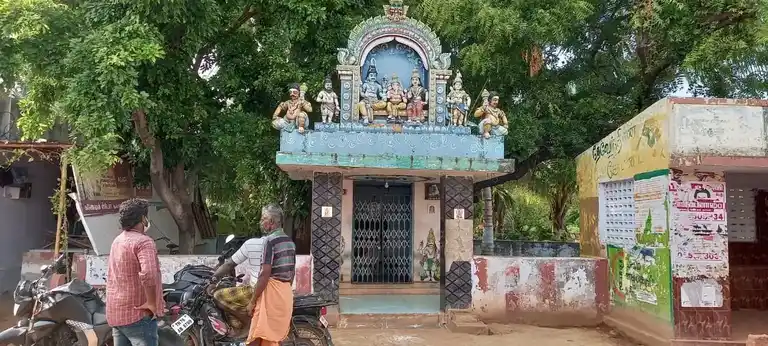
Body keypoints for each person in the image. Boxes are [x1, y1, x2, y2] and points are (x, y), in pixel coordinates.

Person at [106, 198, 163, 346]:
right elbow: (149, 274)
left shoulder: (117, 241)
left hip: (117, 313)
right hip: (137, 314)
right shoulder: (144, 242)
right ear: (143, 219)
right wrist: (151, 303)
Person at [247, 204, 296, 346]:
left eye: (263, 219)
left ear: (272, 222)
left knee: (258, 333)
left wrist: (252, 301)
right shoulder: (290, 242)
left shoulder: (269, 241)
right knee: (272, 337)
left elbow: (264, 274)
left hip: (272, 294)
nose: (261, 222)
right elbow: (291, 272)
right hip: (285, 293)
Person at [210, 232, 266, 330]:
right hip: (272, 288)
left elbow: (228, 265)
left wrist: (213, 279)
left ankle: (247, 324)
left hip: (256, 288)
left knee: (218, 296)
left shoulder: (251, 245)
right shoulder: (279, 245)